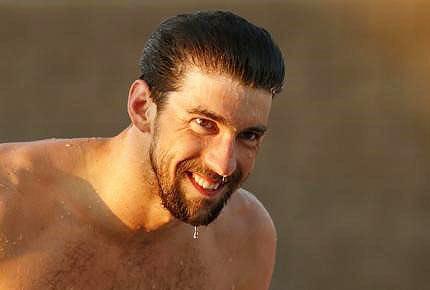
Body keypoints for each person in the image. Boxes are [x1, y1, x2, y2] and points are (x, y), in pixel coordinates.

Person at [0, 10, 285, 290]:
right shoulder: (9, 201)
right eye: (203, 123)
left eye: (248, 135)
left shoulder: (246, 238)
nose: (224, 164)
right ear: (141, 107)